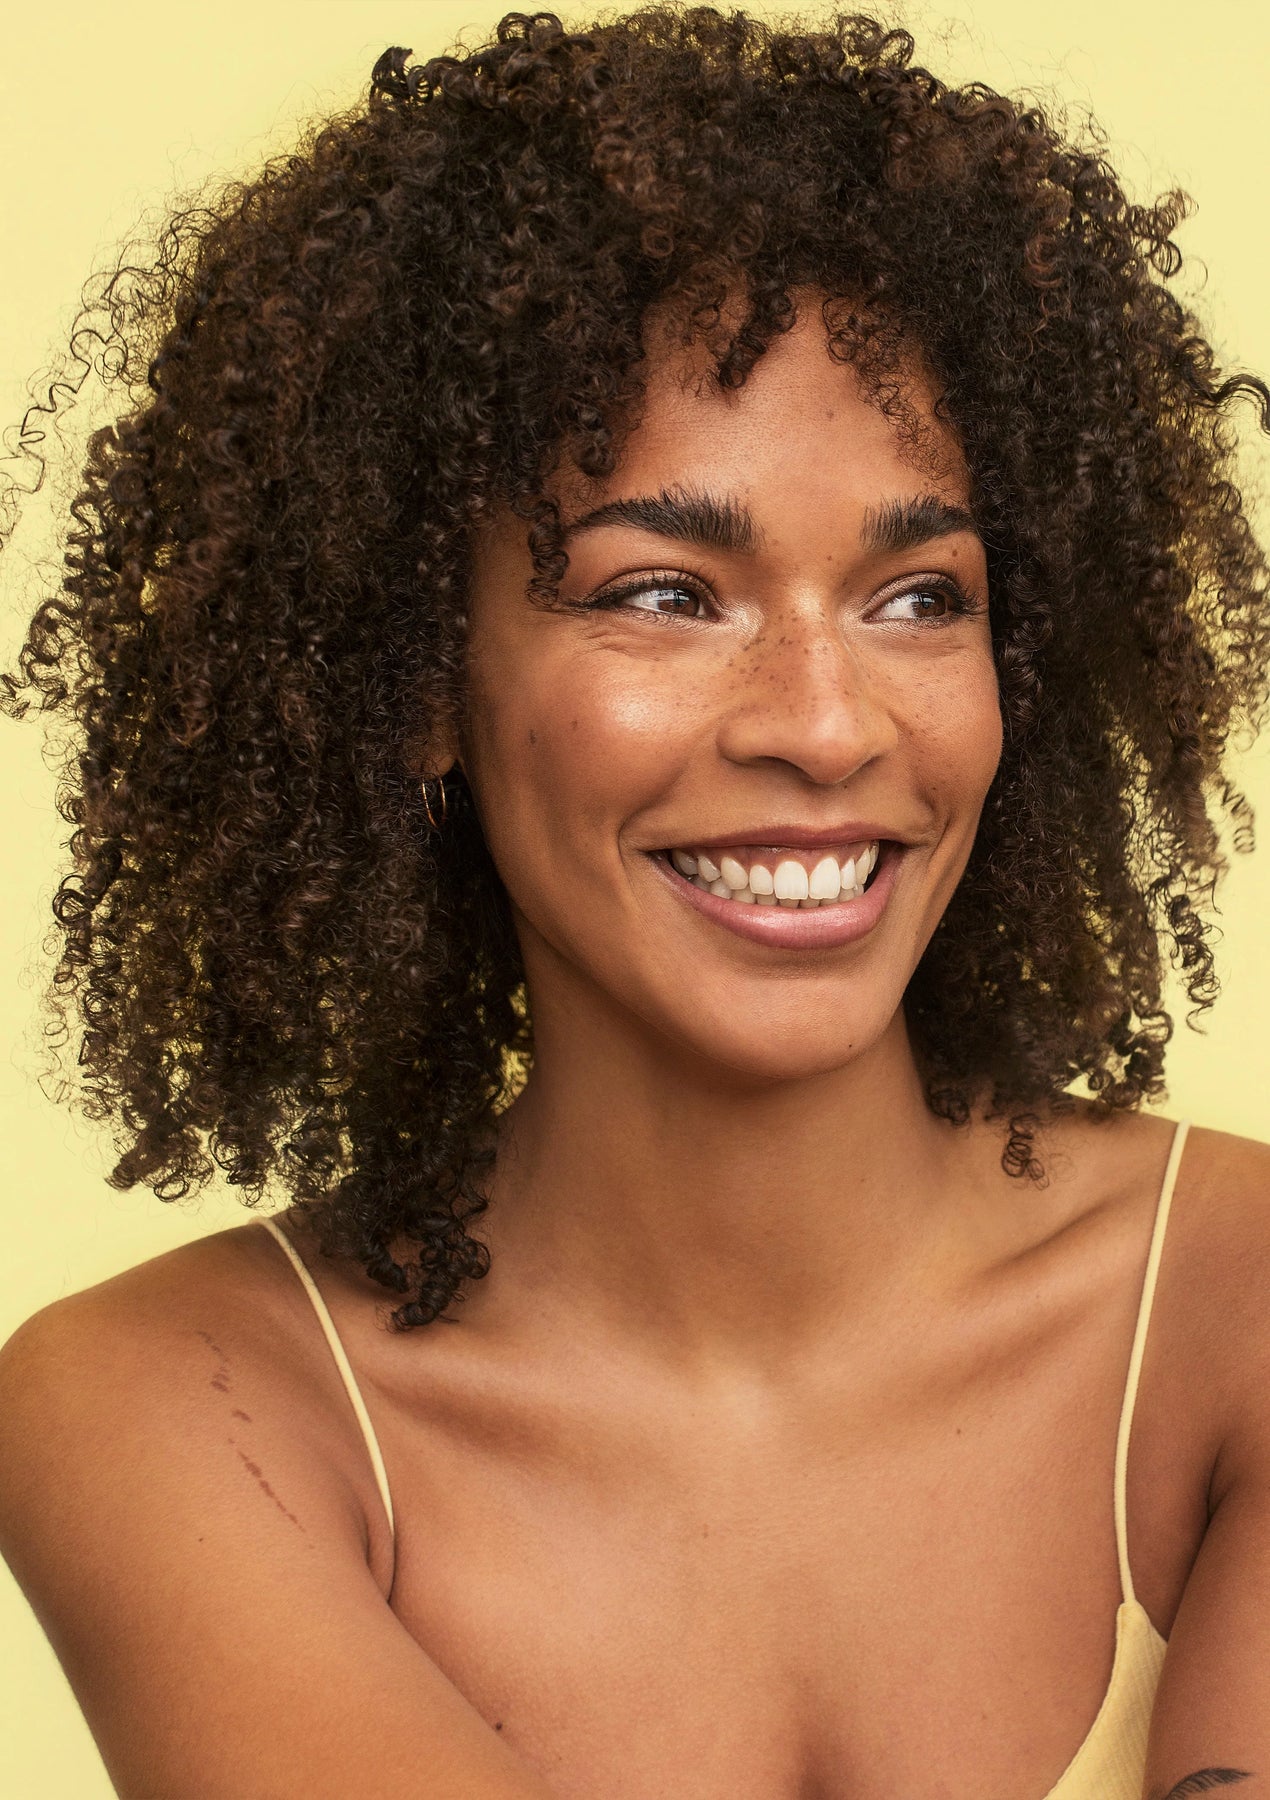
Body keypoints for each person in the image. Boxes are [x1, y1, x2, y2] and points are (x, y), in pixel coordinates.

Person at [0, 6, 1267, 1796]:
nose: (826, 726)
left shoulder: (1236, 1303)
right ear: (415, 679)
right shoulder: (183, 1405)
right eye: (663, 594)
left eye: (919, 597)